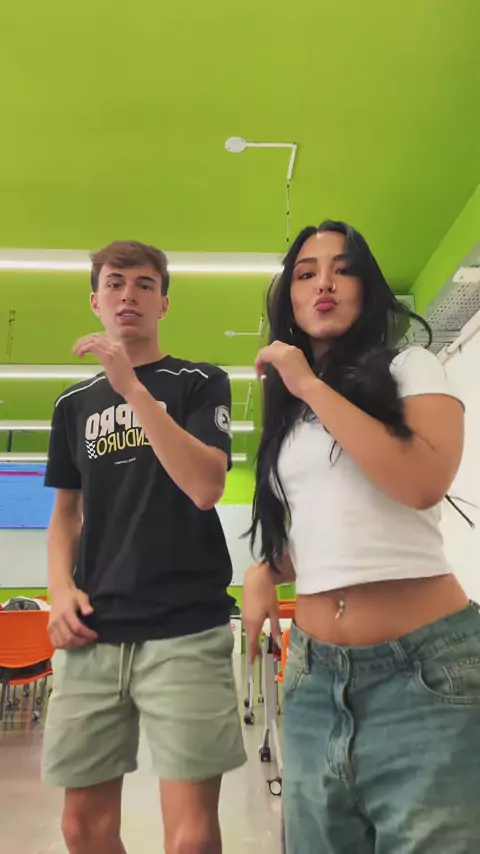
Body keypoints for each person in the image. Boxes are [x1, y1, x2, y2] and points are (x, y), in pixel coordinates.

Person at [243, 221, 480, 854]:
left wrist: (309, 385)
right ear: (290, 297)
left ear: (368, 288)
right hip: (314, 674)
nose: (324, 282)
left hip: (426, 671)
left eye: (343, 269)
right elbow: (331, 528)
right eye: (306, 273)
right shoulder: (290, 412)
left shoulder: (411, 365)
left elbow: (421, 482)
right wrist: (268, 568)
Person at [43, 240, 246, 854]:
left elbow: (207, 487)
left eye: (144, 284)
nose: (128, 295)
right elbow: (65, 514)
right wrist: (59, 590)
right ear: (95, 300)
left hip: (185, 627)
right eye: (114, 283)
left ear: (164, 303)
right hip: (93, 630)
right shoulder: (71, 405)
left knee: (189, 838)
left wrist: (132, 389)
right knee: (81, 827)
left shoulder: (200, 382)